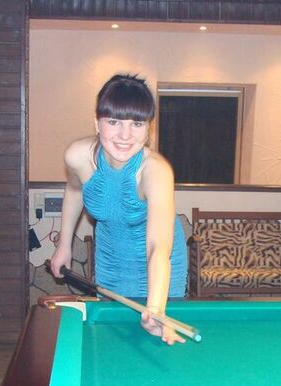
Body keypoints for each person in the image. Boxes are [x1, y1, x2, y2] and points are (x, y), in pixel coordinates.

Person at [50, 74, 188, 345]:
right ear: (97, 123)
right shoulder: (77, 156)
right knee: (111, 341)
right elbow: (75, 191)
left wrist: (156, 308)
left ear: (148, 129)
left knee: (154, 342)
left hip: (159, 267)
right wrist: (64, 245)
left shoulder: (156, 171)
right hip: (111, 260)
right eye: (114, 122)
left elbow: (158, 248)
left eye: (137, 123)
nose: (125, 135)